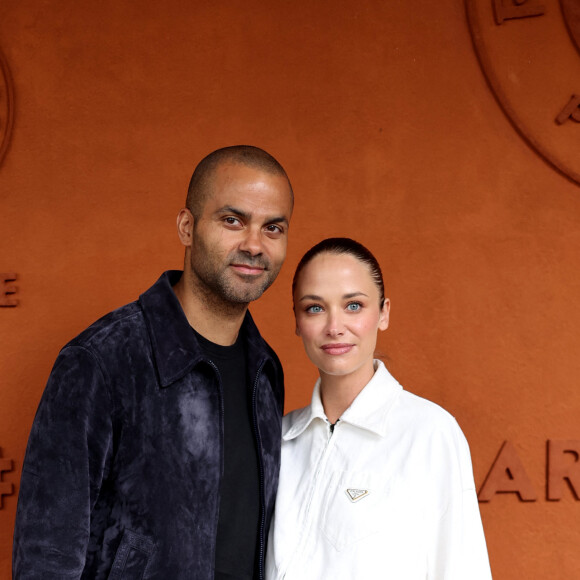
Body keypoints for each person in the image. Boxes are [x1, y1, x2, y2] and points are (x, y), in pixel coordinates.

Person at [13, 145, 294, 580]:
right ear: (187, 226)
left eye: (272, 227)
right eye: (232, 220)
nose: (254, 245)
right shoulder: (101, 361)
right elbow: (45, 556)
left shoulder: (265, 371)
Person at [265, 238, 492, 580]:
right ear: (297, 321)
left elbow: (462, 569)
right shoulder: (277, 440)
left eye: (353, 305)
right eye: (315, 308)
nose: (334, 327)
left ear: (383, 313)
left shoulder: (429, 433)